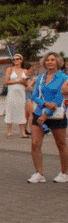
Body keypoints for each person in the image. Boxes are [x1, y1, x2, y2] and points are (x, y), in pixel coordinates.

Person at [26, 52, 68, 183]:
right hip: (39, 113)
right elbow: (34, 96)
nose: (49, 62)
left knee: (61, 144)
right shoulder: (40, 78)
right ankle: (39, 173)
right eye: (47, 60)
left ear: (58, 62)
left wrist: (46, 114)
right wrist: (44, 104)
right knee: (35, 144)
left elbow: (60, 97)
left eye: (52, 60)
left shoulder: (63, 77)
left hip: (56, 115)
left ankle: (64, 173)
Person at [5, 54, 30, 138]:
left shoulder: (25, 70)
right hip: (12, 93)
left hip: (21, 93)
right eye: (14, 59)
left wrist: (23, 82)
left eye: (17, 59)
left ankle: (22, 132)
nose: (15, 60)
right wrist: (17, 81)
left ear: (21, 60)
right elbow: (6, 81)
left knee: (21, 111)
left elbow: (26, 83)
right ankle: (9, 132)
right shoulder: (10, 69)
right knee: (10, 110)